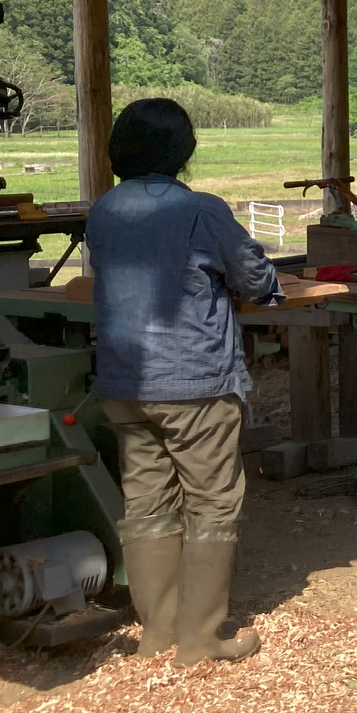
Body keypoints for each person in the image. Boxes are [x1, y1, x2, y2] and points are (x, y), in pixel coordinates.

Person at [91, 98, 281, 666]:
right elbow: (252, 276)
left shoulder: (102, 211)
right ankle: (200, 639)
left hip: (123, 381)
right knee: (212, 501)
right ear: (184, 152)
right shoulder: (201, 210)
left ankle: (158, 632)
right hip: (194, 379)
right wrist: (266, 284)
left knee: (146, 500)